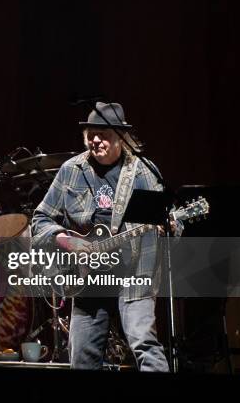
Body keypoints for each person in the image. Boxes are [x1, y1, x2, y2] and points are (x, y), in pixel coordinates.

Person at [31, 102, 181, 371]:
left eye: (103, 134)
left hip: (134, 273)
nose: (95, 140)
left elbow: (166, 223)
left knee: (144, 345)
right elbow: (40, 220)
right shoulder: (71, 170)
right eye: (91, 134)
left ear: (121, 137)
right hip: (88, 279)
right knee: (82, 358)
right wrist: (67, 240)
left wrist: (169, 227)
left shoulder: (143, 172)